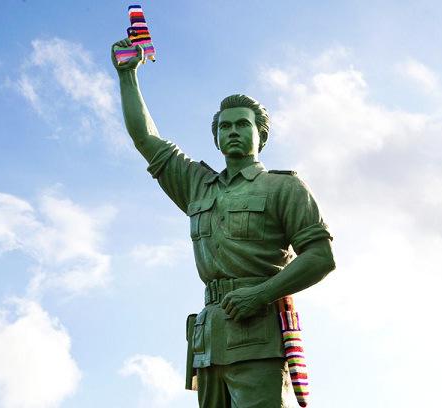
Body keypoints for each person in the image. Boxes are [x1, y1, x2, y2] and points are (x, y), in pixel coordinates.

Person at [111, 39, 336, 408]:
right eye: (225, 126)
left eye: (242, 124)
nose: (233, 131)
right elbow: (145, 138)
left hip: (259, 334)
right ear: (215, 138)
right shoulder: (198, 185)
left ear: (261, 135)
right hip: (209, 341)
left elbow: (320, 257)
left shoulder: (283, 187)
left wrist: (260, 294)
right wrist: (127, 75)